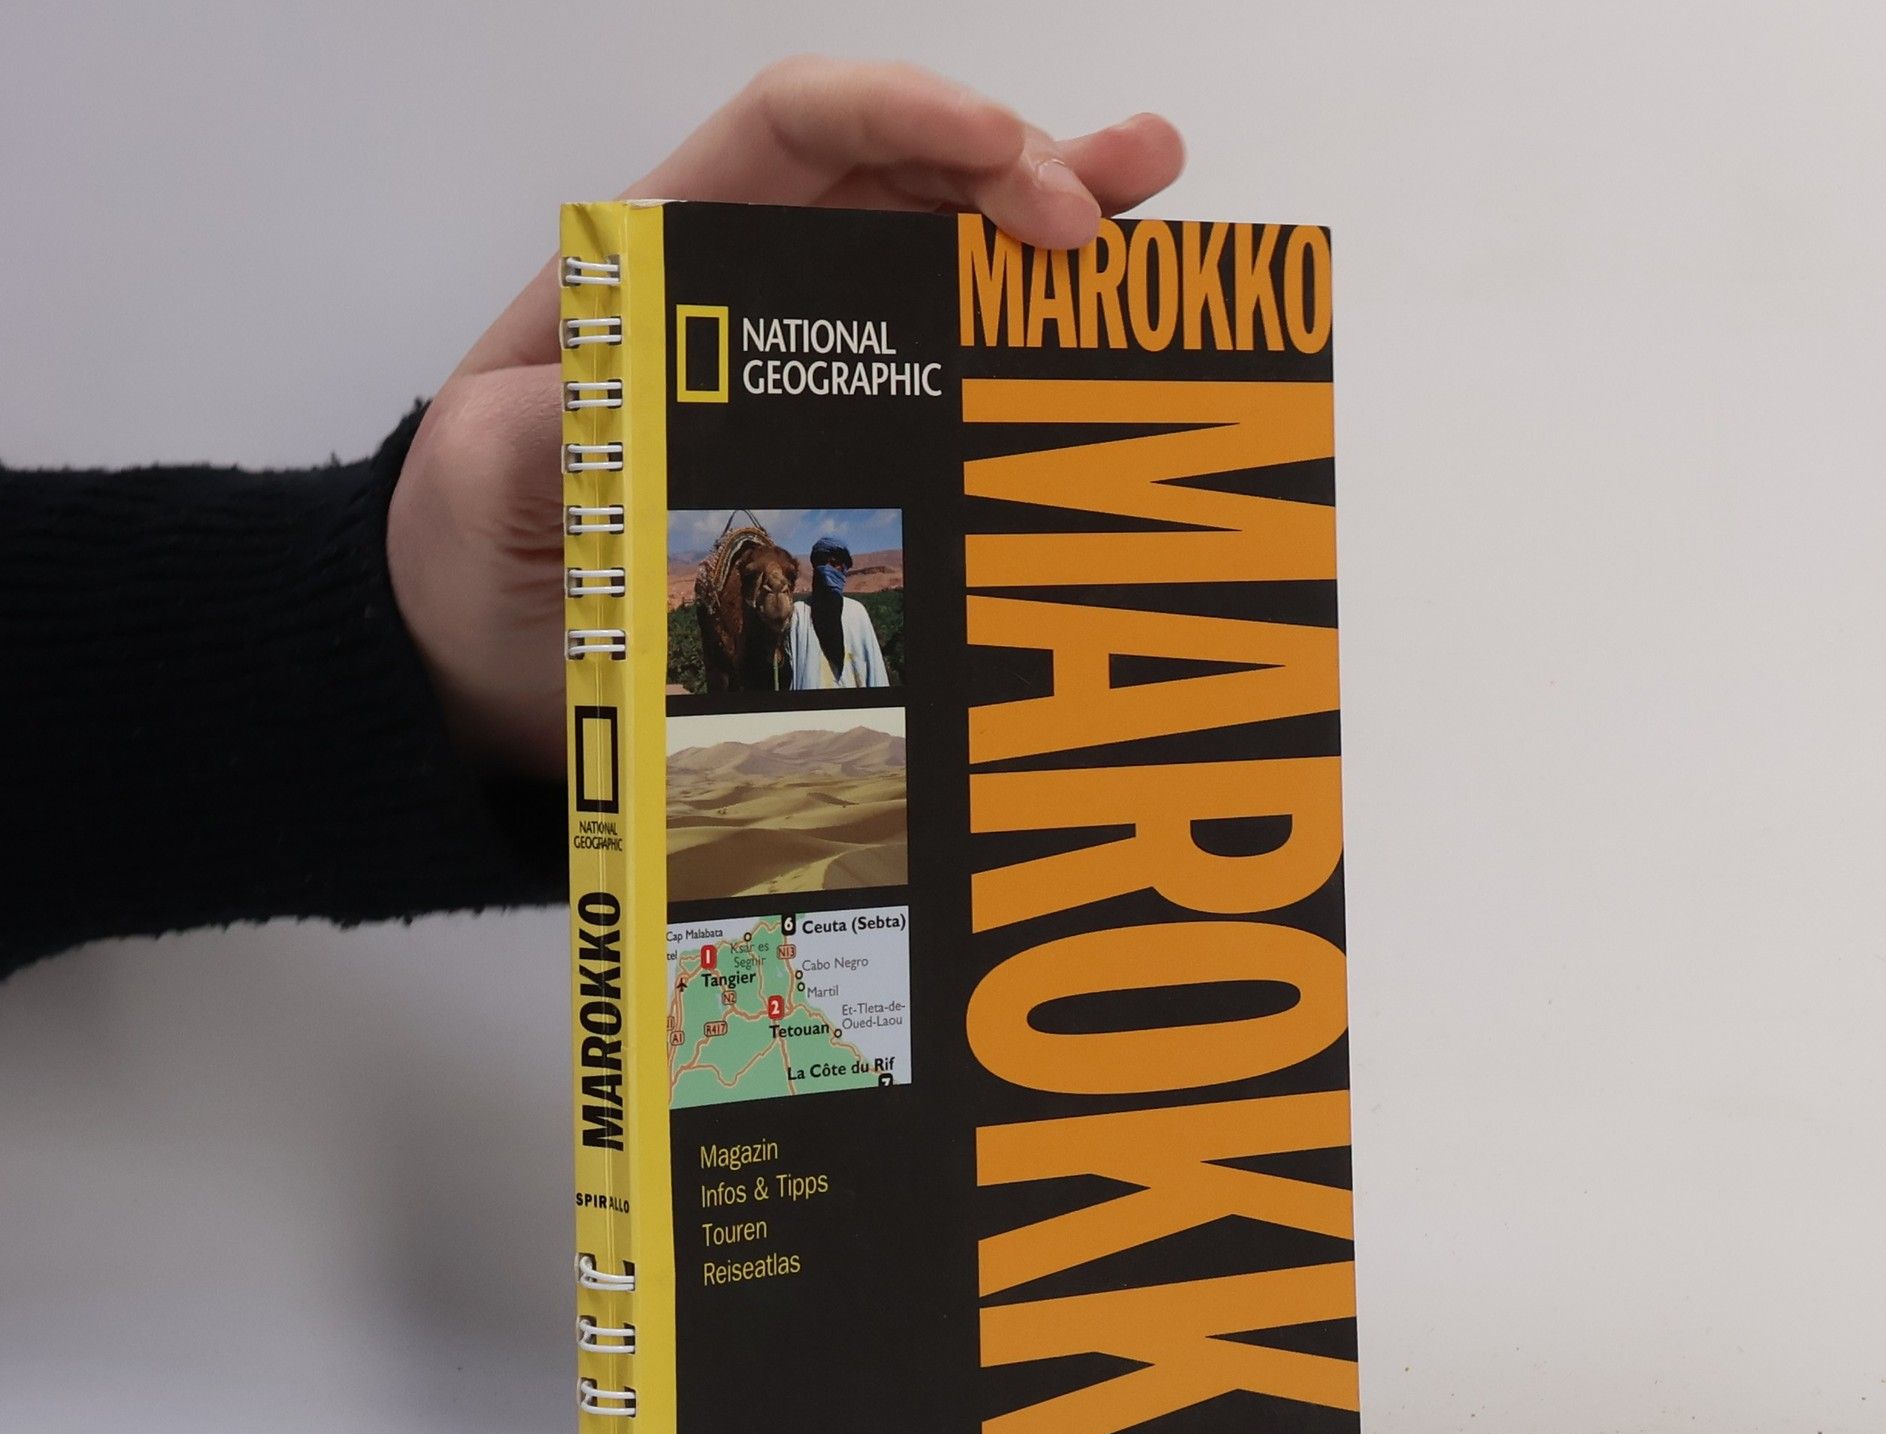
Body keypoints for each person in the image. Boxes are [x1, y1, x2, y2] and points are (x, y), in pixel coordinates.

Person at [0, 60, 1182, 980]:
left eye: (819, 569)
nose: (808, 580)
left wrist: (418, 635)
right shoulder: (743, 620)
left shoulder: (851, 628)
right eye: (800, 567)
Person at [787, 538, 891, 689]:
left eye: (834, 564)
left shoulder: (857, 612)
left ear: (843, 569)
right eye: (821, 563)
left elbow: (875, 670)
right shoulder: (798, 613)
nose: (826, 569)